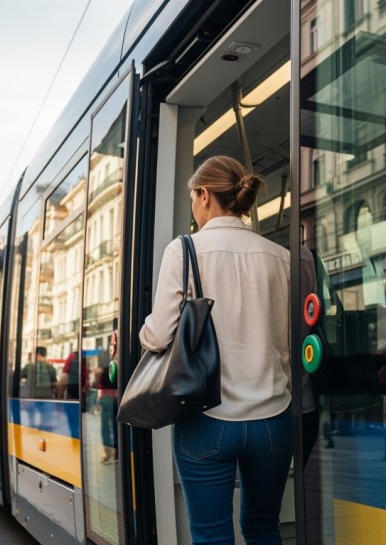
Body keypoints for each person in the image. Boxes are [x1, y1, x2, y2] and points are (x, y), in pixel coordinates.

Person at [139, 155, 292, 544]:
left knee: (211, 537)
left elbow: (158, 337)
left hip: (207, 419)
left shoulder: (184, 250)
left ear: (204, 194)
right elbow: (287, 346)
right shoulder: (281, 258)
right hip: (273, 419)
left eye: (194, 196)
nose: (193, 204)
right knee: (263, 529)